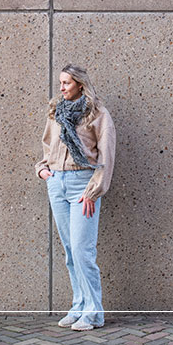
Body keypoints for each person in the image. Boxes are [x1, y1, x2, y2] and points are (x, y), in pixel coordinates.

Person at [35, 63, 115, 331]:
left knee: (83, 251)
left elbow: (106, 155)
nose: (61, 88)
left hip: (83, 185)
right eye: (60, 83)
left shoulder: (97, 113)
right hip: (57, 183)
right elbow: (48, 145)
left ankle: (94, 313)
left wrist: (94, 190)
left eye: (66, 83)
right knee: (70, 252)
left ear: (80, 84)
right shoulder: (56, 111)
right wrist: (43, 170)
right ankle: (79, 305)